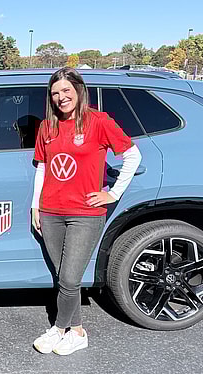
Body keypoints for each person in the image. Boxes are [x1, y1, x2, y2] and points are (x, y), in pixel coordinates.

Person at [31, 68, 141, 355]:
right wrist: (35, 206)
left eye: (66, 91)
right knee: (62, 276)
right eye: (55, 93)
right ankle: (76, 331)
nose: (60, 97)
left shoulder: (98, 121)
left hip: (85, 213)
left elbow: (132, 155)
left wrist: (113, 193)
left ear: (79, 90)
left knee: (69, 277)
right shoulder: (47, 126)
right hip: (51, 210)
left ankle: (58, 328)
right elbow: (42, 167)